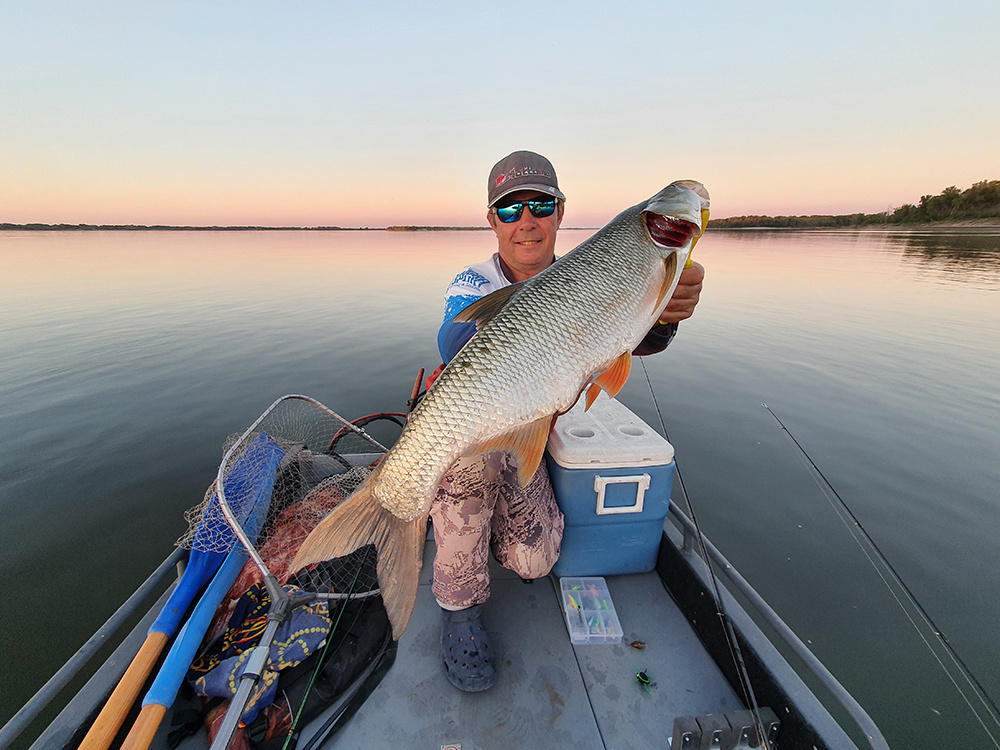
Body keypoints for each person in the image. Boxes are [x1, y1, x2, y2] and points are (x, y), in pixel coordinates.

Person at [431, 151, 705, 692]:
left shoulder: (593, 271)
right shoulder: (473, 282)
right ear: (493, 221)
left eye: (540, 205)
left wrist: (664, 313)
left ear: (559, 212)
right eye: (511, 210)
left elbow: (627, 337)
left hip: (532, 436)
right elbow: (453, 341)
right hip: (471, 432)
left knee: (534, 561)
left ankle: (471, 531)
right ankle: (457, 604)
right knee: (471, 465)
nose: (526, 221)